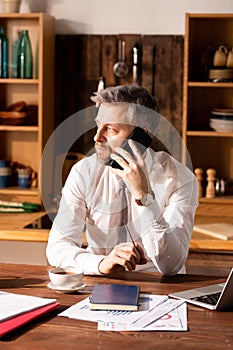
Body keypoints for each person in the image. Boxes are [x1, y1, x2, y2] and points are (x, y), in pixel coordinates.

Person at [46, 85, 198, 276]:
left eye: (110, 129)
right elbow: (57, 247)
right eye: (98, 124)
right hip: (101, 283)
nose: (97, 137)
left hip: (160, 286)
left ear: (142, 135)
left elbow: (171, 266)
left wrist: (145, 197)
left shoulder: (179, 179)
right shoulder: (83, 172)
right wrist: (102, 263)